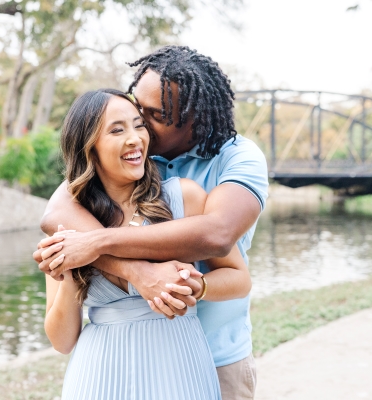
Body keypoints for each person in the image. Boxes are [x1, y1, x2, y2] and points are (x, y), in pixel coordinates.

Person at [35, 46, 269, 399]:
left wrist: (97, 245)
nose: (139, 128)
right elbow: (54, 214)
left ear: (193, 119)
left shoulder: (232, 161)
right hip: (102, 370)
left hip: (210, 355)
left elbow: (217, 234)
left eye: (150, 117)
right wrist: (115, 271)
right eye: (134, 111)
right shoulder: (109, 183)